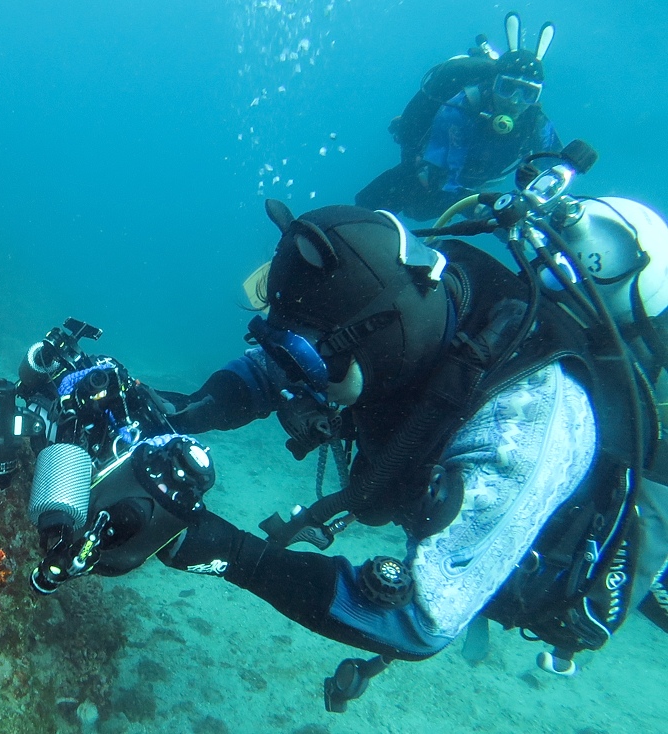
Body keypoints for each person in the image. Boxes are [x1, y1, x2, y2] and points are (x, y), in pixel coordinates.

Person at [143, 188, 668, 709]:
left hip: (546, 558)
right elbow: (283, 360)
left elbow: (419, 621)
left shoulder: (527, 422)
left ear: (382, 350)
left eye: (308, 360)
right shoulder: (420, 291)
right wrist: (184, 412)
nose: (293, 371)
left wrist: (224, 551)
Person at [355, 12, 561, 222]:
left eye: (528, 93)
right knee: (370, 209)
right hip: (426, 177)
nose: (515, 101)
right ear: (493, 83)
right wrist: (484, 210)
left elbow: (558, 166)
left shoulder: (535, 123)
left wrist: (541, 188)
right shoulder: (462, 107)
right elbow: (439, 177)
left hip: (466, 188)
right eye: (507, 88)